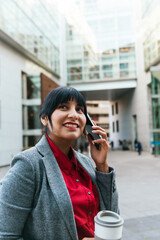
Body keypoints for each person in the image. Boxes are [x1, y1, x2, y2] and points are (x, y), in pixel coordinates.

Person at [0, 86, 119, 240]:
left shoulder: (85, 163)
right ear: (44, 118)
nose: (74, 115)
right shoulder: (28, 165)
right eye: (63, 107)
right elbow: (6, 235)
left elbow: (112, 215)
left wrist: (102, 166)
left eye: (79, 109)